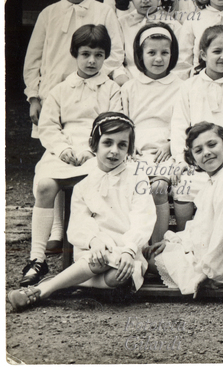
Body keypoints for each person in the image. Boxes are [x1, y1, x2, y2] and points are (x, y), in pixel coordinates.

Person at [7, 113, 156, 312]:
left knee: (119, 276)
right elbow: (80, 221)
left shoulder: (137, 177)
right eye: (108, 143)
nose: (114, 151)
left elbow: (143, 217)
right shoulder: (84, 179)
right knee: (101, 260)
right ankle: (43, 290)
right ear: (94, 145)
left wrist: (130, 250)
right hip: (93, 250)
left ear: (129, 148)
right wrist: (94, 241)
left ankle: (67, 281)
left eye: (122, 145)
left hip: (127, 251)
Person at [23, 25, 123, 286]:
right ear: (75, 54)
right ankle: (37, 259)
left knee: (92, 185)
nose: (92, 61)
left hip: (97, 150)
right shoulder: (60, 89)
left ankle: (90, 253)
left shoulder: (111, 89)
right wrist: (64, 149)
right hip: (63, 149)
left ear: (106, 57)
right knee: (45, 185)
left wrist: (91, 151)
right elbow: (48, 126)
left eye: (99, 55)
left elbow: (113, 125)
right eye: (86, 54)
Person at [149, 123, 223, 296]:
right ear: (192, 159)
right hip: (205, 253)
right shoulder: (215, 180)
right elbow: (200, 226)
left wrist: (210, 273)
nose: (206, 152)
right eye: (198, 150)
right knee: (153, 252)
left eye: (212, 145)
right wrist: (174, 240)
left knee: (148, 261)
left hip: (219, 263)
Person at [24, 0, 124, 137]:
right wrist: (34, 98)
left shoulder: (104, 12)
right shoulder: (48, 14)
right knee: (55, 147)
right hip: (53, 92)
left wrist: (92, 77)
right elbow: (33, 61)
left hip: (92, 96)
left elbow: (116, 54)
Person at [170, 25, 223, 229]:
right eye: (217, 51)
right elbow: (179, 125)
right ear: (203, 54)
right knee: (184, 184)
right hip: (195, 160)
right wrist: (182, 159)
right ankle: (184, 239)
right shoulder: (188, 87)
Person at [121, 23, 184, 243]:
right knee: (132, 187)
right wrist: (129, 147)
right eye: (151, 53)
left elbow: (185, 121)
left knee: (158, 187)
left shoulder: (181, 86)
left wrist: (171, 144)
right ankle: (134, 245)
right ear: (140, 55)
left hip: (166, 149)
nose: (158, 59)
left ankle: (158, 248)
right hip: (137, 150)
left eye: (164, 53)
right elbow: (124, 122)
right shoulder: (130, 87)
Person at [113, 0, 181, 82]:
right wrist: (122, 79)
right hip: (129, 83)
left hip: (165, 84)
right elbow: (115, 59)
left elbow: (180, 62)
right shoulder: (121, 24)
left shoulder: (173, 26)